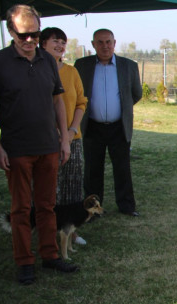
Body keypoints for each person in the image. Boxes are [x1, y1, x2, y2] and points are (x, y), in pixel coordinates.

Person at [0, 4, 79, 285]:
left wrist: (64, 139)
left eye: (35, 36)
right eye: (23, 36)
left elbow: (57, 101)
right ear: (11, 31)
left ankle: (50, 256)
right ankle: (25, 262)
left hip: (49, 147)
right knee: (21, 208)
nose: (29, 42)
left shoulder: (48, 61)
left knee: (47, 206)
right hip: (16, 149)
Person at [74, 29, 142, 217]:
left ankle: (127, 206)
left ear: (114, 42)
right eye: (100, 42)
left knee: (122, 169)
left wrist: (121, 108)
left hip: (118, 127)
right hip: (92, 127)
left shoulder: (128, 66)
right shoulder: (82, 65)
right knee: (92, 170)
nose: (105, 46)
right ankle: (92, 210)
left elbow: (136, 93)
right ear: (93, 44)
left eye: (108, 42)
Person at [40, 27, 88, 246]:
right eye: (54, 41)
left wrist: (70, 131)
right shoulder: (35, 70)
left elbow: (81, 102)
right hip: (44, 140)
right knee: (49, 189)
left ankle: (71, 232)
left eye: (63, 42)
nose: (59, 46)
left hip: (72, 140)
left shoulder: (71, 71)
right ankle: (48, 232)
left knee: (73, 187)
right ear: (42, 44)